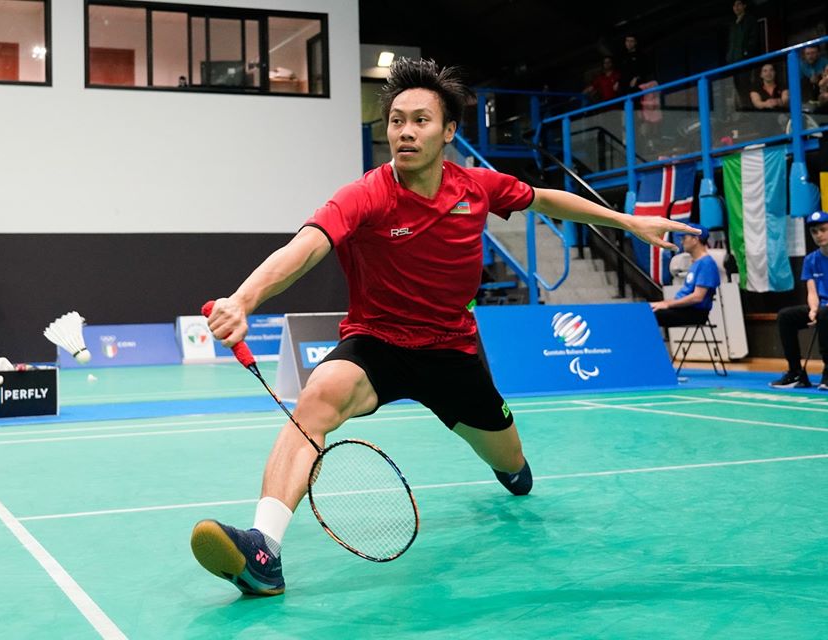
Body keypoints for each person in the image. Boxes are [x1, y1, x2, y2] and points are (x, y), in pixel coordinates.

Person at [189, 58, 698, 597]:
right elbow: (307, 246)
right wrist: (244, 299)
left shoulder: (476, 187)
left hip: (453, 353)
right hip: (378, 344)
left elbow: (544, 198)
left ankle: (510, 468)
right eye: (396, 121)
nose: (405, 132)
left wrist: (626, 220)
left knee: (514, 467)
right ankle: (264, 549)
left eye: (420, 121)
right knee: (317, 397)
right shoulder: (365, 194)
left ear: (449, 130)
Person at [770, 210, 828, 390]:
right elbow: (812, 291)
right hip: (821, 308)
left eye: (823, 230)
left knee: (825, 314)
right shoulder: (810, 260)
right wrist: (813, 310)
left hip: (826, 312)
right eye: (814, 232)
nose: (818, 235)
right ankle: (796, 372)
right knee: (786, 316)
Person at [650, 223, 721, 327]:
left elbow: (697, 297)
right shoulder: (697, 263)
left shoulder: (706, 264)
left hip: (694, 312)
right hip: (684, 309)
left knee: (648, 316)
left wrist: (667, 304)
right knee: (646, 310)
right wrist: (663, 303)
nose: (682, 242)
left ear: (695, 239)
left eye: (684, 238)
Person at [726, 0, 760, 109]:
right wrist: (729, 57)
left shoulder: (750, 20)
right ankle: (744, 109)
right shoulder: (733, 24)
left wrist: (747, 53)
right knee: (738, 87)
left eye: (739, 4)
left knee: (747, 85)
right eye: (734, 5)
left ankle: (749, 108)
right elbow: (731, 42)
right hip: (734, 62)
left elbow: (753, 39)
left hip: (745, 61)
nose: (736, 7)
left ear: (744, 5)